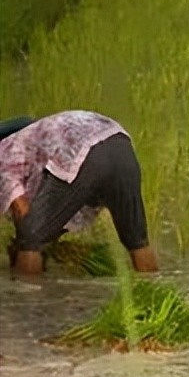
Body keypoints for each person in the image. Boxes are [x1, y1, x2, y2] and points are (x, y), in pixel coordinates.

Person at [1, 111, 159, 275]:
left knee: (30, 238)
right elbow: (64, 206)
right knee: (137, 240)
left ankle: (27, 291)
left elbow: (21, 210)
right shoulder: (39, 137)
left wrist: (26, 240)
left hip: (81, 152)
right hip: (121, 147)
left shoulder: (3, 152)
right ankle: (154, 287)